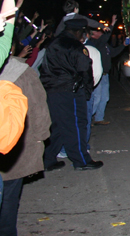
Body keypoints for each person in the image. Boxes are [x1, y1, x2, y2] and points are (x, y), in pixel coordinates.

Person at [40, 19, 103, 171]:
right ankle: (81, 160)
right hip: (70, 91)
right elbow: (85, 70)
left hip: (52, 90)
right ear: (78, 31)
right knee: (76, 125)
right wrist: (87, 92)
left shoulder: (54, 43)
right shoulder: (75, 47)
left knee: (58, 125)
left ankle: (48, 159)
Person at [0, 55, 50, 235]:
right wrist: (41, 137)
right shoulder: (21, 72)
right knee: (7, 199)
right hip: (9, 147)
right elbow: (37, 108)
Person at [86, 19, 125, 126]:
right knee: (96, 97)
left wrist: (123, 45)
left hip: (105, 75)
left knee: (104, 97)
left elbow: (113, 53)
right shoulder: (96, 43)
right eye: (98, 31)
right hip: (98, 75)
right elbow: (105, 38)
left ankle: (98, 118)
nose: (101, 32)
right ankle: (88, 119)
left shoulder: (104, 45)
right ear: (92, 34)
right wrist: (111, 25)